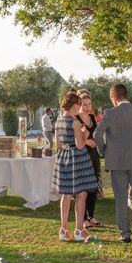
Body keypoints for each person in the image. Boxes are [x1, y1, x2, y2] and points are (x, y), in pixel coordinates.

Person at [94, 84, 132, 243]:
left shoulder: (110, 113)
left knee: (121, 198)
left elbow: (97, 134)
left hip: (117, 161)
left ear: (114, 97)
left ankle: (125, 234)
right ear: (126, 95)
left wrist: (104, 150)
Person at [52, 92, 99, 242]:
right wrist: (85, 135)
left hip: (64, 158)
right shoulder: (75, 122)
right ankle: (79, 230)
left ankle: (63, 229)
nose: (80, 108)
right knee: (82, 194)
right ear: (74, 106)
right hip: (78, 159)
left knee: (66, 195)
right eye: (79, 105)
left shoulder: (58, 121)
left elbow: (57, 145)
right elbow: (80, 145)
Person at [76, 92, 104, 229]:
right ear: (79, 105)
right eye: (84, 104)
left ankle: (91, 216)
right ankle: (83, 219)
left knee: (93, 186)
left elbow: (96, 133)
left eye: (89, 104)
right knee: (83, 188)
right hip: (82, 155)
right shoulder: (75, 119)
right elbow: (73, 139)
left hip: (93, 155)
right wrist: (85, 141)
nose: (87, 107)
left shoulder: (93, 117)